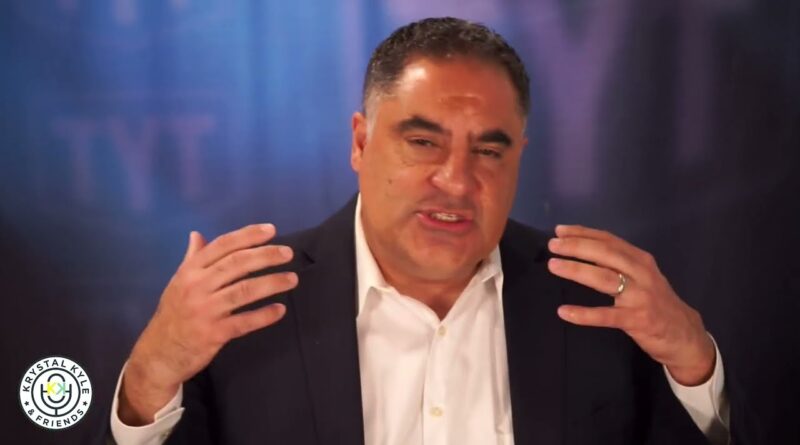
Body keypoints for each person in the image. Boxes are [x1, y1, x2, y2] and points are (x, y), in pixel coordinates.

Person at [110, 17, 735, 445]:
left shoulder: (599, 305)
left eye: (488, 151)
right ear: (360, 142)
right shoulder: (245, 309)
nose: (456, 181)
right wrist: (147, 381)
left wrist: (694, 364)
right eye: (422, 142)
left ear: (519, 156)